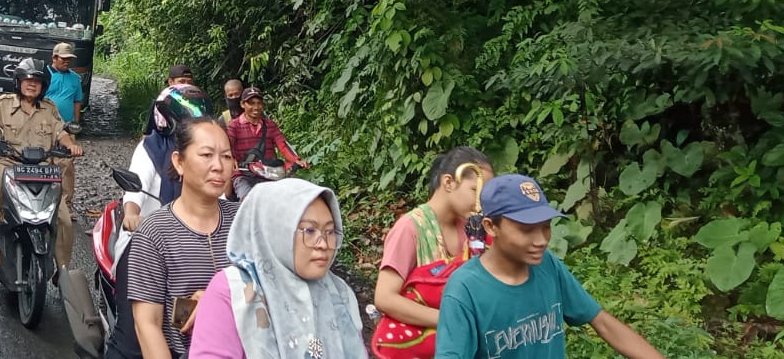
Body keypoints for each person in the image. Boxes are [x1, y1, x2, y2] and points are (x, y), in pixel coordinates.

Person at [435, 174, 665, 359]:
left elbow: (601, 322)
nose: (541, 240)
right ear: (491, 226)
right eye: (526, 230)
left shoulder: (547, 265)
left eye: (545, 226)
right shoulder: (465, 289)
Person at [189, 179, 369, 359]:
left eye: (330, 232)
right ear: (275, 231)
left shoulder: (340, 293)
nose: (323, 244)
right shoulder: (234, 291)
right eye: (309, 231)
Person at [126, 115, 237, 359]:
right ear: (179, 162)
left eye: (226, 156)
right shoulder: (154, 233)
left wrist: (220, 297)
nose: (218, 165)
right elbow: (148, 325)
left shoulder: (245, 222)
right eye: (206, 155)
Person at [371, 146, 494, 357]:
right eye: (476, 190)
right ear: (448, 182)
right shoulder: (409, 228)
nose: (481, 202)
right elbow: (384, 298)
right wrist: (451, 319)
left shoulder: (473, 229)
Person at [0, 57, 83, 272]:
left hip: (44, 169)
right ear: (18, 81)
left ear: (43, 86)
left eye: (37, 81)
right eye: (26, 79)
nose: (31, 83)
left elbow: (62, 132)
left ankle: (62, 269)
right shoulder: (2, 104)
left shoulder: (49, 108)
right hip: (10, 164)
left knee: (63, 218)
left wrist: (71, 146)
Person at [122, 85, 212, 233]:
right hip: (150, 234)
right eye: (188, 122)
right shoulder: (150, 148)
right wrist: (131, 214)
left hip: (200, 235)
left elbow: (219, 195)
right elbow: (137, 187)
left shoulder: (210, 150)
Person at [226, 87, 307, 199]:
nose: (256, 107)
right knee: (247, 201)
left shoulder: (270, 125)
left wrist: (296, 160)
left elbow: (282, 145)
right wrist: (230, 159)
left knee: (291, 198)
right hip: (244, 175)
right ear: (242, 104)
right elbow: (227, 146)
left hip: (269, 174)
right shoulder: (234, 126)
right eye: (251, 103)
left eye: (259, 103)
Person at [47, 42, 85, 126]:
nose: (67, 61)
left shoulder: (75, 78)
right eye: (64, 58)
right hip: (45, 124)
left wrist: (76, 122)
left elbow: (77, 101)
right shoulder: (44, 74)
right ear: (54, 58)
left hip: (67, 124)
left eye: (69, 58)